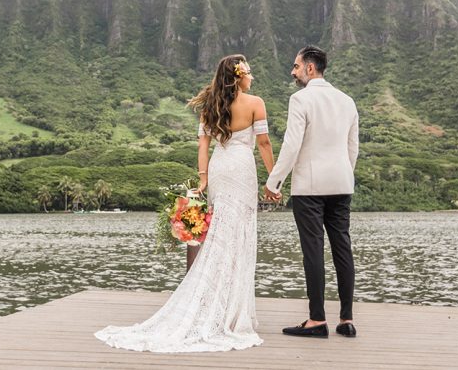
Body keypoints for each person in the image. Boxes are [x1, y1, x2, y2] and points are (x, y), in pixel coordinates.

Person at [95, 54, 276, 352]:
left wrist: (203, 179)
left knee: (219, 236)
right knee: (238, 236)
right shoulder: (256, 103)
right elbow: (264, 144)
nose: (252, 77)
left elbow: (203, 145)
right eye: (250, 72)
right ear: (239, 75)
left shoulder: (211, 106)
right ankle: (230, 313)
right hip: (242, 171)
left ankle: (214, 304)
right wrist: (274, 178)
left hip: (220, 169)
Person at [263, 45, 359, 339]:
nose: (293, 72)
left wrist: (273, 182)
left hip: (310, 187)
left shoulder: (300, 99)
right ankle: (346, 319)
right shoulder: (347, 101)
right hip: (342, 183)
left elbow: (292, 145)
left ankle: (317, 319)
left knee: (313, 250)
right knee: (343, 247)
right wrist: (345, 173)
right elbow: (351, 147)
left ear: (310, 68)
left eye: (296, 66)